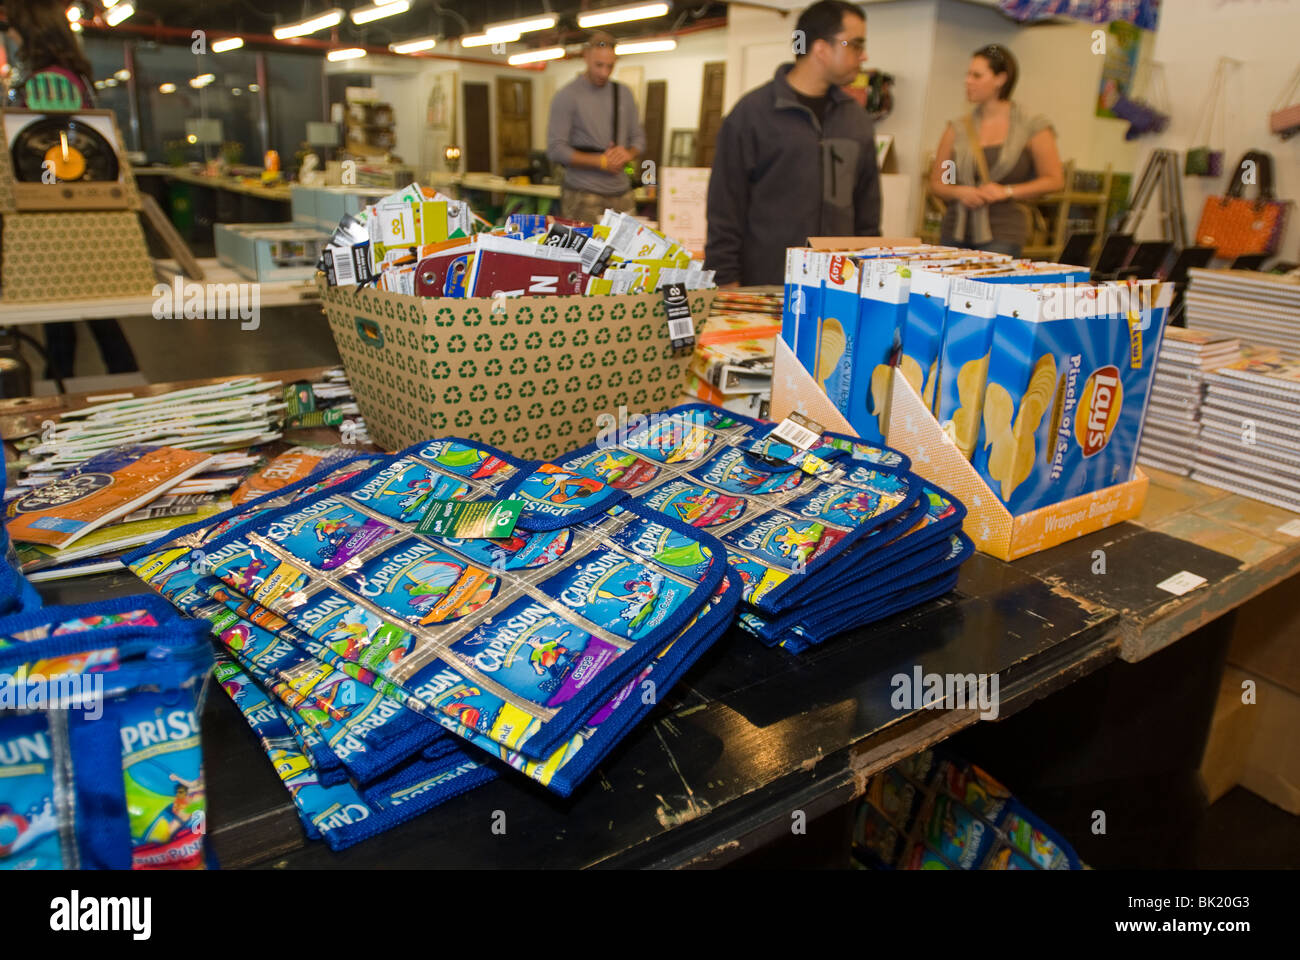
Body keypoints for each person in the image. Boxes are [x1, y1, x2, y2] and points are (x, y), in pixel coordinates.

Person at [6, 0, 138, 381]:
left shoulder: (50, 81)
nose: (11, 35)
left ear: (32, 31)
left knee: (65, 318)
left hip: (57, 208)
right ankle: (115, 383)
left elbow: (46, 149)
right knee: (89, 315)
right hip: (71, 204)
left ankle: (63, 394)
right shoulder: (65, 75)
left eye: (15, 27)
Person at [705, 0, 881, 288]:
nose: (863, 56)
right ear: (822, 49)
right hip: (767, 286)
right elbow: (725, 207)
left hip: (839, 288)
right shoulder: (752, 115)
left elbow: (868, 211)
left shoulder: (857, 120)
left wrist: (871, 275)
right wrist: (725, 280)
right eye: (856, 45)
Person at [929, 44, 1065, 257]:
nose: (968, 81)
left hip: (1004, 232)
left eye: (977, 75)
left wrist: (1007, 191)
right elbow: (940, 181)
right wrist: (960, 191)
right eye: (968, 74)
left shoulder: (1032, 127)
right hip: (955, 230)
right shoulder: (958, 129)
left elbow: (1053, 179)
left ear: (1000, 79)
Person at [546, 31, 646, 225]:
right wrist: (600, 161)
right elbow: (556, 149)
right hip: (583, 194)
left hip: (621, 192)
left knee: (628, 252)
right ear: (586, 56)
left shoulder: (623, 93)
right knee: (584, 252)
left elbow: (639, 139)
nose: (604, 73)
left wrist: (627, 154)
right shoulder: (567, 96)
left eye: (610, 66)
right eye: (598, 65)